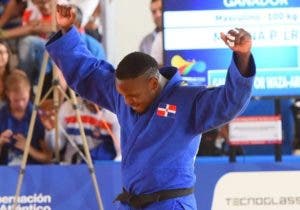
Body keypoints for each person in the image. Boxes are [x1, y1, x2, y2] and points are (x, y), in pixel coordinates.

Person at [46, 4, 255, 209]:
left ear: (153, 84)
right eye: (123, 95)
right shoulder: (123, 93)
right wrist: (67, 32)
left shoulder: (187, 100)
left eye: (133, 96)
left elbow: (229, 101)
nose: (127, 101)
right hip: (130, 202)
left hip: (170, 203)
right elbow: (88, 73)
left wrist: (242, 57)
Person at [42, 96, 121, 164]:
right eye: (90, 102)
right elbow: (55, 148)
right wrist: (51, 131)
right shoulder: (68, 107)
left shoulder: (116, 112)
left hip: (102, 168)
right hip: (71, 167)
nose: (95, 105)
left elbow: (120, 154)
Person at [0, 70, 52, 165]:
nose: (20, 104)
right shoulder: (2, 115)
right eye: (16, 100)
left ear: (29, 90)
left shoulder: (37, 116)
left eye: (24, 99)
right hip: (7, 171)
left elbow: (48, 158)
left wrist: (28, 148)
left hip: (32, 171)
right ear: (7, 94)